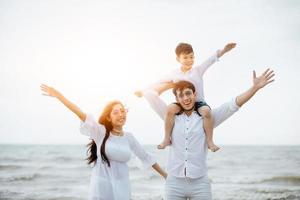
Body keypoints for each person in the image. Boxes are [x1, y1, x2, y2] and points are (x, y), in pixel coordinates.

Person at [142, 68, 275, 200]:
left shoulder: (208, 117)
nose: (186, 98)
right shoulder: (170, 116)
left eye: (188, 94)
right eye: (181, 95)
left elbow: (232, 105)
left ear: (195, 94)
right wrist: (172, 84)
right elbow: (149, 94)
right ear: (176, 99)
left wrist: (255, 88)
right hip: (174, 183)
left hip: (200, 184)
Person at [40, 85, 167, 200]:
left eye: (122, 111)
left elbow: (146, 157)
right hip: (102, 187)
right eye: (116, 112)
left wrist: (166, 176)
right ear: (108, 117)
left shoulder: (129, 137)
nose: (121, 115)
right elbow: (80, 113)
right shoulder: (100, 132)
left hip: (122, 187)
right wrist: (59, 96)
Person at [135, 42, 236, 152]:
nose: (189, 60)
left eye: (191, 57)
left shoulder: (197, 70)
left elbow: (210, 60)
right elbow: (159, 81)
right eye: (185, 57)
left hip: (198, 103)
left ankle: (210, 141)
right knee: (170, 110)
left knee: (207, 112)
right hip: (181, 103)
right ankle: (166, 139)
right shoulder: (174, 73)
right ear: (178, 59)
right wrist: (143, 90)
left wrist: (224, 51)